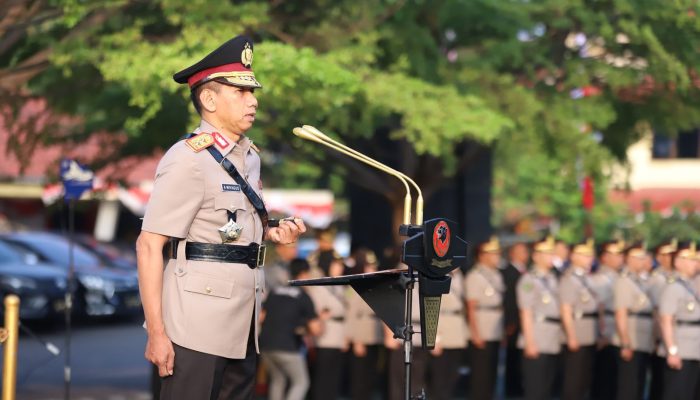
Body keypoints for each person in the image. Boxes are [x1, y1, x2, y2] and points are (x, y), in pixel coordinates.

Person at [136, 35, 306, 400]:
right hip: (196, 322)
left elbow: (230, 228)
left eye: (253, 93)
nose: (254, 101)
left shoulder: (250, 156)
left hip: (243, 319)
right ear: (209, 99)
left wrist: (273, 233)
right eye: (241, 93)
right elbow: (150, 245)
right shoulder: (188, 158)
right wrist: (156, 332)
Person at [259, 259, 321, 400]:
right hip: (287, 347)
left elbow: (261, 317)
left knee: (278, 380)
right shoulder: (303, 296)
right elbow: (315, 329)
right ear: (304, 274)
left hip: (266, 345)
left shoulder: (275, 291)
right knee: (301, 382)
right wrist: (320, 320)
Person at [516, 236, 561, 400]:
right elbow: (526, 311)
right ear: (535, 256)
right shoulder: (529, 280)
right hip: (537, 336)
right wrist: (529, 342)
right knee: (535, 388)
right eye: (546, 253)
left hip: (553, 337)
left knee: (546, 388)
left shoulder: (553, 278)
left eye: (551, 253)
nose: (550, 256)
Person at [657, 241, 700, 400]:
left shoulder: (691, 285)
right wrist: (672, 351)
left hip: (694, 350)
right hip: (681, 350)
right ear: (678, 262)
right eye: (689, 259)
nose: (694, 263)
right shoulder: (673, 287)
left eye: (695, 259)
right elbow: (666, 320)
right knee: (677, 393)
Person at [613, 242, 655, 400]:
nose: (642, 261)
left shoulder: (642, 281)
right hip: (631, 340)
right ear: (627, 259)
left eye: (643, 258)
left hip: (643, 340)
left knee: (639, 386)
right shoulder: (624, 281)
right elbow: (621, 313)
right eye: (637, 258)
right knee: (628, 387)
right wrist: (625, 342)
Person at [464, 236, 504, 400]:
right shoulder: (475, 276)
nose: (497, 256)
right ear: (482, 256)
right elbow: (471, 308)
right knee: (481, 376)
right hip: (482, 331)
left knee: (492, 376)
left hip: (494, 330)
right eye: (493, 253)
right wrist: (476, 333)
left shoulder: (496, 275)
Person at [559, 239, 599, 400]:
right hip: (577, 333)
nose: (589, 258)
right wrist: (571, 336)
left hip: (590, 333)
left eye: (590, 255)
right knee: (573, 381)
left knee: (584, 380)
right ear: (574, 257)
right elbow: (566, 309)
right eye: (584, 255)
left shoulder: (587, 278)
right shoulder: (569, 278)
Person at [307, 250, 348, 400]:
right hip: (325, 335)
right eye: (336, 264)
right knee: (323, 377)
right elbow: (316, 310)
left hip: (338, 334)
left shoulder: (338, 285)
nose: (340, 268)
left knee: (334, 377)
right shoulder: (320, 284)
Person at [345, 249, 384, 400]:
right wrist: (356, 339)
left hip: (374, 336)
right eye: (369, 266)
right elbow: (352, 314)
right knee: (359, 379)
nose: (372, 269)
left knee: (370, 377)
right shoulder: (356, 285)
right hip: (361, 336)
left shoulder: (375, 285)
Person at [590, 239, 625, 400]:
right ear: (604, 257)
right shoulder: (599, 279)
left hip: (617, 332)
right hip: (606, 333)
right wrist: (603, 333)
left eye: (620, 254)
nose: (619, 258)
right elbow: (600, 308)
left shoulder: (620, 277)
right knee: (603, 380)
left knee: (615, 380)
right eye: (614, 254)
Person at [428, 267, 469, 400]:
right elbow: (432, 305)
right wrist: (435, 336)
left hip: (457, 329)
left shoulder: (460, 275)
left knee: (453, 374)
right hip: (442, 328)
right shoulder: (437, 274)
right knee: (439, 375)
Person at [649, 238, 678, 400]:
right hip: (661, 336)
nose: (670, 258)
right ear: (659, 257)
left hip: (675, 336)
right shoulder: (658, 278)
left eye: (673, 255)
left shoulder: (674, 278)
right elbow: (659, 311)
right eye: (666, 255)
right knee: (660, 382)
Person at [501, 241, 529, 398]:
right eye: (521, 251)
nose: (525, 254)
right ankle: (512, 390)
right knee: (512, 357)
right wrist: (510, 322)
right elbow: (509, 300)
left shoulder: (525, 271)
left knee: (520, 357)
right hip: (514, 321)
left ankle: (518, 387)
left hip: (525, 320)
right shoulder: (508, 272)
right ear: (512, 254)